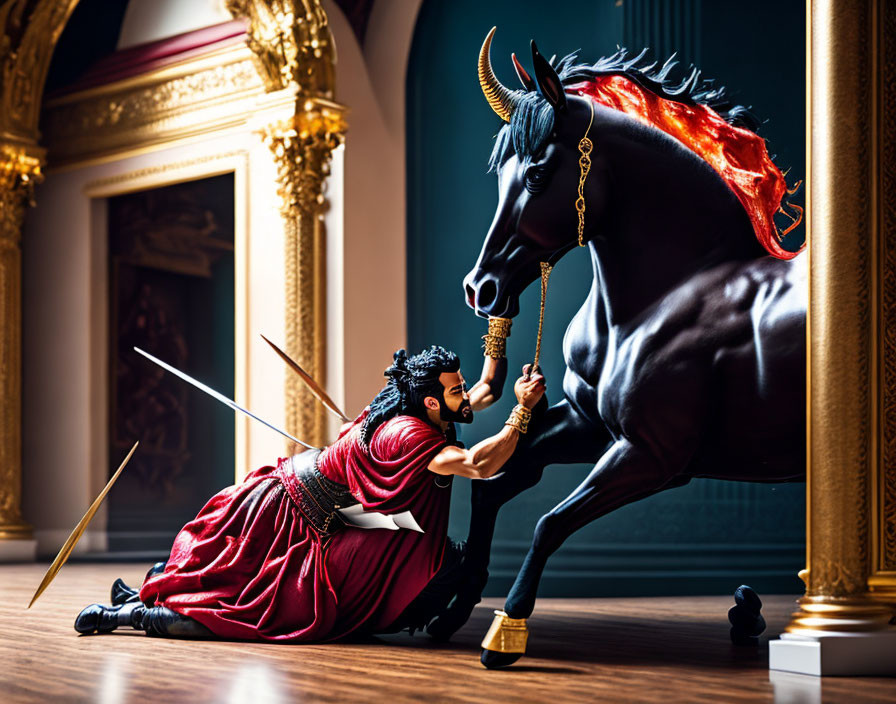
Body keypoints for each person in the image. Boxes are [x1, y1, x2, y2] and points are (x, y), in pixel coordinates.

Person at [74, 345, 545, 641]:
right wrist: (521, 414)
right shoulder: (411, 435)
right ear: (429, 402)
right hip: (289, 511)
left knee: (231, 588)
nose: (465, 396)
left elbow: (482, 392)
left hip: (308, 506)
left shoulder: (414, 406)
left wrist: (499, 325)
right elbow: (478, 464)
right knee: (249, 610)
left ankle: (143, 596)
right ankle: (126, 616)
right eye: (455, 390)